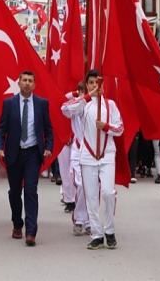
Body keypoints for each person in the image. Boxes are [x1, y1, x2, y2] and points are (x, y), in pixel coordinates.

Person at [61, 70, 123, 250]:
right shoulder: (84, 105)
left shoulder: (110, 105)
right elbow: (65, 108)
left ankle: (109, 230)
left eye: (98, 82)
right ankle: (97, 233)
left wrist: (106, 127)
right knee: (91, 196)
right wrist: (88, 96)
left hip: (107, 154)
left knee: (108, 192)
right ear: (87, 85)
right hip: (87, 155)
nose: (95, 85)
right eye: (91, 82)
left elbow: (120, 129)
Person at [0, 70, 54, 247]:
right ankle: (17, 224)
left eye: (30, 81)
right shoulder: (9, 104)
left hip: (33, 153)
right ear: (19, 83)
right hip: (14, 153)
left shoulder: (42, 103)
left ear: (34, 85)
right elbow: (0, 130)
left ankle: (31, 231)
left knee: (30, 190)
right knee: (14, 192)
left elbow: (49, 130)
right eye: (24, 80)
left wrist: (49, 148)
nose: (27, 83)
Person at [62, 82, 90, 235]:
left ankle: (87, 220)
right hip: (78, 149)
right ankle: (79, 219)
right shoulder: (74, 105)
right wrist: (80, 96)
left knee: (91, 187)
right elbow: (64, 106)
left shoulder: (98, 107)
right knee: (80, 184)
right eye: (82, 90)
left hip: (93, 152)